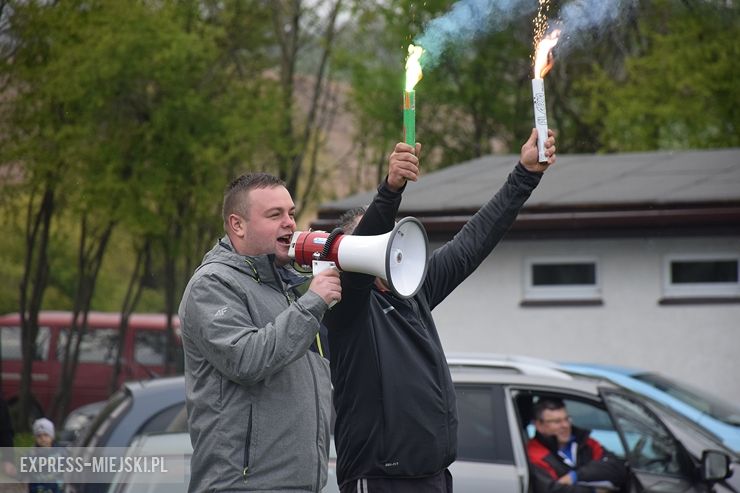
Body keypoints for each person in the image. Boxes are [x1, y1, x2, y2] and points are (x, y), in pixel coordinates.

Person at [323, 128, 557, 492]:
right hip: (381, 479)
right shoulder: (347, 309)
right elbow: (362, 255)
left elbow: (474, 241)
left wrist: (525, 174)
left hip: (433, 477)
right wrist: (391, 190)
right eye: (381, 239)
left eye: (394, 236)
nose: (392, 248)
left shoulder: (415, 292)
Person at [178, 172, 341, 492]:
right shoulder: (212, 284)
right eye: (274, 214)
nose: (290, 223)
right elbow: (246, 359)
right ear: (237, 225)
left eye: (291, 213)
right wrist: (312, 303)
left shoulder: (286, 288)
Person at [527, 398, 628, 493]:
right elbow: (551, 490)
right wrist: (594, 491)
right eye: (557, 422)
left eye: (567, 419)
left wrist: (576, 476)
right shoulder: (534, 454)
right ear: (539, 426)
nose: (565, 425)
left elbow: (617, 467)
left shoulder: (586, 442)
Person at [27, 418, 64, 493]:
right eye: (39, 436)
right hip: (37, 487)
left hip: (56, 487)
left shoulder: (60, 452)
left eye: (46, 435)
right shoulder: (32, 453)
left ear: (52, 436)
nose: (43, 438)